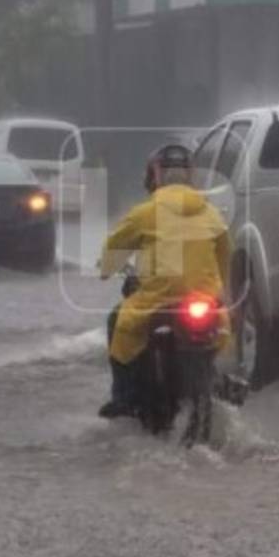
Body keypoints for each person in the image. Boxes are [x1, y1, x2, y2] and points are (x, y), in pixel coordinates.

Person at [97, 144, 232, 418]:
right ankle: (218, 383)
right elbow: (225, 259)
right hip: (203, 303)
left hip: (156, 302)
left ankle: (123, 397)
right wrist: (221, 291)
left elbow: (112, 252)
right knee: (220, 334)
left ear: (154, 175)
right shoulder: (211, 213)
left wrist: (107, 268)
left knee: (116, 320)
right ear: (190, 175)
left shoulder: (144, 213)